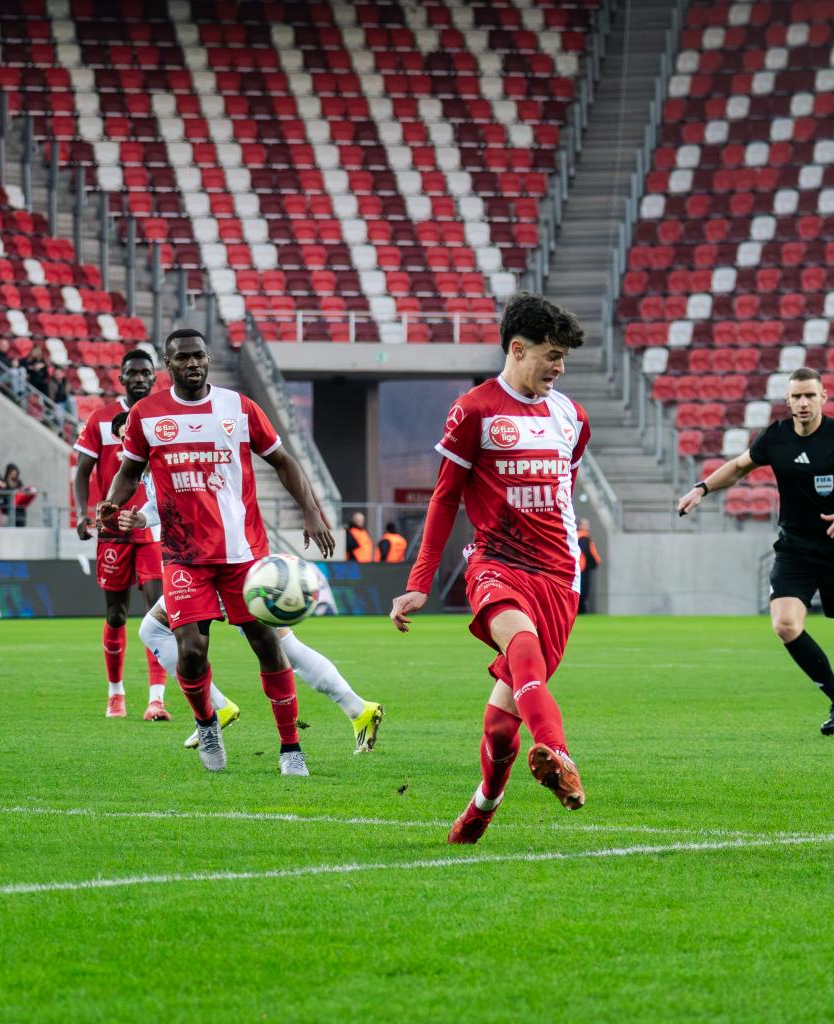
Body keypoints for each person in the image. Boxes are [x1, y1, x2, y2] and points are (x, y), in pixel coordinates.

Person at [391, 292, 590, 844]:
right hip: (495, 562)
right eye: (552, 355)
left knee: (501, 728)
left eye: (563, 358)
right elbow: (444, 498)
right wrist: (419, 583)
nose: (559, 367)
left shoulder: (572, 417)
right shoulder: (474, 409)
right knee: (521, 644)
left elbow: (564, 489)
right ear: (517, 349)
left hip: (559, 576)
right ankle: (559, 753)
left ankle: (483, 805)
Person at [98, 327, 336, 777]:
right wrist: (113, 501)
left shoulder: (238, 407)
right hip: (184, 556)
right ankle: (207, 724)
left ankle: (291, 747)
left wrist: (312, 511)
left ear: (208, 359)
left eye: (199, 356)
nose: (192, 363)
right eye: (182, 357)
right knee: (190, 651)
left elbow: (282, 460)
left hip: (243, 553)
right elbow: (129, 472)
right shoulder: (147, 414)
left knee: (267, 644)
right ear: (168, 365)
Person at [677, 367, 834, 738]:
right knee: (785, 624)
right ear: (788, 400)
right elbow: (738, 467)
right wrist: (702, 489)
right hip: (795, 549)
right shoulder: (776, 436)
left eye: (810, 395)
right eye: (796, 396)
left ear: (823, 397)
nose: (803, 402)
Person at [118, 483, 385, 756]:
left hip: (216, 560)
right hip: (212, 555)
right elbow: (166, 504)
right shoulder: (154, 467)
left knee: (275, 646)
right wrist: (143, 517)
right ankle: (356, 708)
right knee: (282, 645)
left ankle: (223, 710)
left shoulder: (166, 458)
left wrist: (310, 511)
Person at [73, 351, 171, 720]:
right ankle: (116, 693)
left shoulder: (163, 416)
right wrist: (83, 513)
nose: (140, 379)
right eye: (133, 373)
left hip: (152, 528)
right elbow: (83, 470)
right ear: (122, 378)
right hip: (112, 531)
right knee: (116, 615)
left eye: (146, 373)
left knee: (157, 612)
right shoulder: (101, 419)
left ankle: (156, 699)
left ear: (154, 377)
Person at [576, 517, 601, 613]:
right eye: (586, 524)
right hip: (583, 567)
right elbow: (586, 551)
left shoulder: (577, 535)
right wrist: (593, 563)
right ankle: (581, 611)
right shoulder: (583, 537)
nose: (588, 526)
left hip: (579, 567)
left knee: (581, 590)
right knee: (583, 591)